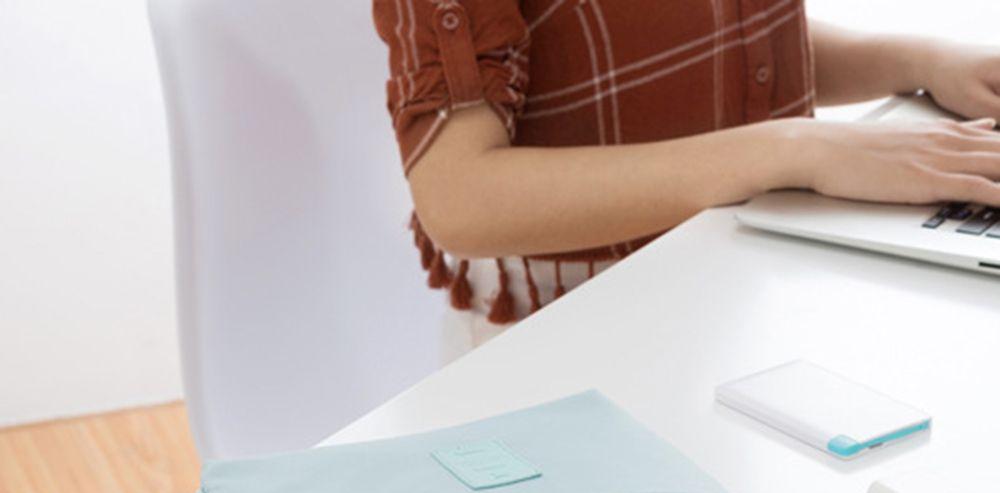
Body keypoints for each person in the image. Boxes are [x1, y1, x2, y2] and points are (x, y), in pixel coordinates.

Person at [373, 1, 1000, 350]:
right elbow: (459, 198)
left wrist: (915, 61)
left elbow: (713, 41)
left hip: (734, 280)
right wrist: (794, 148)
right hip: (571, 334)